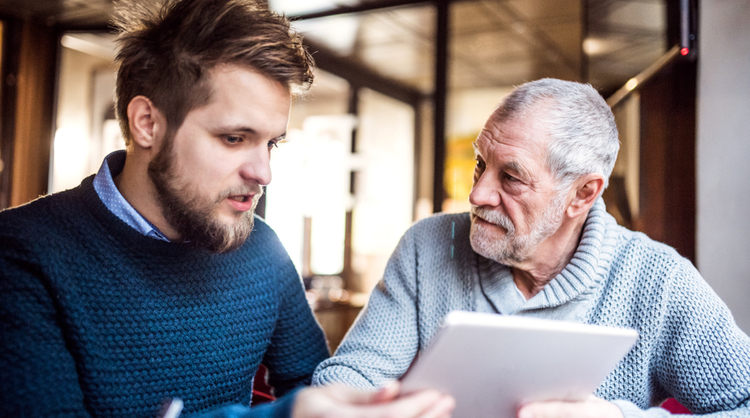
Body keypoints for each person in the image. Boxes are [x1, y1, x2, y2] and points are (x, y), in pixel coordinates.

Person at [0, 0, 455, 417]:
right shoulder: (21, 253)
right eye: (235, 138)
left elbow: (316, 387)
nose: (264, 172)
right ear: (148, 123)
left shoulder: (262, 248)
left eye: (271, 142)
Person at [312, 78, 750, 417]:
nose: (478, 194)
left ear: (581, 195)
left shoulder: (658, 280)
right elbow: (351, 375)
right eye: (481, 164)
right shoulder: (428, 246)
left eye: (511, 178)